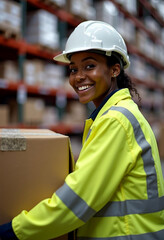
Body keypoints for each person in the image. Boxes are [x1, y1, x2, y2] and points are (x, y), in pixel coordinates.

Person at [0, 20, 164, 240]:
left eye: (89, 66)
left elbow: (79, 199)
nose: (78, 77)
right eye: (73, 69)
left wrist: (13, 230)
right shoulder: (116, 114)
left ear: (115, 69)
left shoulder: (116, 120)